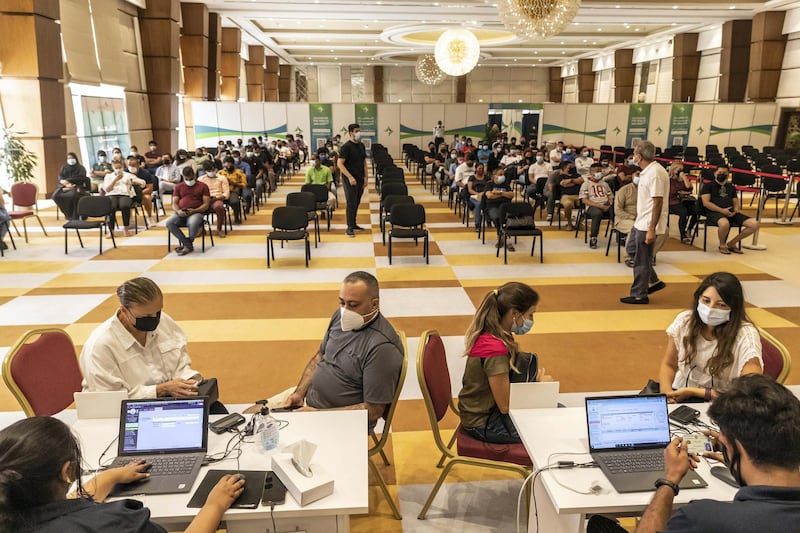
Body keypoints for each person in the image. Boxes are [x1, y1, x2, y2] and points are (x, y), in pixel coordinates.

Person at [588, 374, 800, 533]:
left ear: (737, 448)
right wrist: (734, 457)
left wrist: (670, 480)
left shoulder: (703, 519)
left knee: (599, 525)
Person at [0, 416, 244, 533]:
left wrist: (112, 475)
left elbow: (67, 509)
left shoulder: (12, 514)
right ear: (67, 472)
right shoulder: (115, 522)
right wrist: (215, 504)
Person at [246, 271, 404, 430]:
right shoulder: (340, 317)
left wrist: (319, 414)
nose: (345, 310)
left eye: (353, 305)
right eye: (342, 303)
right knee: (247, 418)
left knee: (266, 441)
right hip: (309, 402)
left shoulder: (382, 348)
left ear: (374, 304)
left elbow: (374, 410)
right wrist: (299, 393)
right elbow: (319, 357)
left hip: (338, 421)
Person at [80, 277, 209, 400]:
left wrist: (187, 382)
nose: (154, 319)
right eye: (146, 315)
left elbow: (180, 361)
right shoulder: (101, 346)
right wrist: (160, 390)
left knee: (216, 410)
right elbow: (109, 400)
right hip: (121, 411)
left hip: (168, 399)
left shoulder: (163, 320)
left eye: (158, 312)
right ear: (124, 310)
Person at [457, 282, 546, 444]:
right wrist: (538, 389)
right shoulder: (494, 349)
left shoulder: (497, 333)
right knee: (554, 425)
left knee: (557, 411)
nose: (532, 320)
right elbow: (505, 406)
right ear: (514, 314)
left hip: (486, 412)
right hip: (484, 422)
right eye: (531, 315)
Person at [658, 271, 762, 403]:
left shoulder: (745, 336)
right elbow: (669, 364)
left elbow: (751, 391)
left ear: (733, 308)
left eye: (721, 305)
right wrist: (666, 395)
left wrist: (695, 392)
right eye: (706, 301)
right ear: (698, 298)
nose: (711, 309)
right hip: (680, 392)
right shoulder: (684, 320)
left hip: (724, 401)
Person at [620, 141, 668, 305]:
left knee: (641, 259)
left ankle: (639, 294)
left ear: (639, 156)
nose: (633, 156)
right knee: (632, 249)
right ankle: (653, 281)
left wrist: (651, 229)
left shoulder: (655, 173)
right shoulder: (647, 172)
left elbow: (658, 202)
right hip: (640, 221)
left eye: (634, 153)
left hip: (648, 223)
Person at [700, 165, 759, 255]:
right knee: (724, 224)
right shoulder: (708, 186)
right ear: (715, 173)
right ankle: (722, 245)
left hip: (731, 212)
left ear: (728, 174)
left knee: (754, 224)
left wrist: (735, 210)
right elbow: (706, 203)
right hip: (714, 212)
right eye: (719, 173)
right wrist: (722, 210)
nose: (722, 175)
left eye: (724, 173)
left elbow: (735, 201)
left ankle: (732, 243)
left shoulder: (730, 187)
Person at [165, 167, 211, 255]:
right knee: (170, 223)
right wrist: (178, 211)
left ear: (194, 175)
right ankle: (188, 244)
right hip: (181, 212)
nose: (189, 180)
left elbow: (206, 204)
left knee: (192, 222)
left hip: (197, 212)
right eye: (187, 179)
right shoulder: (179, 187)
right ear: (183, 177)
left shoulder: (203, 186)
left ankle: (187, 245)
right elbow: (174, 203)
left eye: (191, 178)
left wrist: (195, 210)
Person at [337, 123, 368, 238]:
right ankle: (349, 227)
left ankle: (354, 224)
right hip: (349, 179)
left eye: (359, 130)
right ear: (351, 133)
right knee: (351, 202)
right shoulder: (346, 147)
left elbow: (364, 162)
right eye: (356, 131)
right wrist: (349, 177)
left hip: (360, 178)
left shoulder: (361, 145)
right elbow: (339, 163)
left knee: (357, 202)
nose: (359, 133)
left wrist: (366, 177)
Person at [103, 159, 145, 238]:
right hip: (112, 194)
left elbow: (143, 182)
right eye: (116, 168)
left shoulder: (128, 175)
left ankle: (126, 229)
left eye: (120, 167)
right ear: (113, 167)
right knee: (111, 207)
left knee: (125, 206)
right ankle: (111, 231)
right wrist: (116, 180)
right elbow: (107, 189)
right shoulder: (108, 176)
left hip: (125, 194)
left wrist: (134, 182)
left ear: (122, 167)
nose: (118, 169)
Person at [579, 162, 613, 249]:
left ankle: (621, 234)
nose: (599, 173)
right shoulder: (586, 184)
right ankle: (593, 237)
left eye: (600, 171)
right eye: (597, 171)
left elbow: (610, 196)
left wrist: (610, 204)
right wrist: (599, 206)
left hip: (606, 204)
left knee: (616, 210)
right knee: (597, 214)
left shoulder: (605, 184)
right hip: (592, 206)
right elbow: (584, 200)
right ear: (591, 172)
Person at [52, 152, 90, 220]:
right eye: (69, 158)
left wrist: (68, 181)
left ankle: (74, 216)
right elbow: (60, 176)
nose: (71, 159)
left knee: (73, 196)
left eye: (72, 158)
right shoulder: (64, 167)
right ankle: (67, 213)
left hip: (76, 186)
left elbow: (81, 178)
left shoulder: (81, 168)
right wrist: (63, 182)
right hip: (65, 186)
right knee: (55, 196)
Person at [667, 162, 698, 244]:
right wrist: (679, 192)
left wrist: (684, 177)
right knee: (683, 212)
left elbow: (690, 188)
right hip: (671, 201)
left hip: (683, 201)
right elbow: (671, 192)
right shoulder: (669, 179)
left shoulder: (683, 178)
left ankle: (689, 229)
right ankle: (682, 235)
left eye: (682, 169)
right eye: (679, 169)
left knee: (696, 211)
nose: (681, 171)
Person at [198, 159, 230, 238]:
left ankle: (219, 229)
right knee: (195, 206)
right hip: (204, 199)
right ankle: (200, 228)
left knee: (219, 207)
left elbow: (226, 193)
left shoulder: (222, 178)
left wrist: (216, 198)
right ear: (205, 171)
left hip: (217, 198)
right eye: (209, 170)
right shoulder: (200, 179)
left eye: (212, 169)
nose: (211, 172)